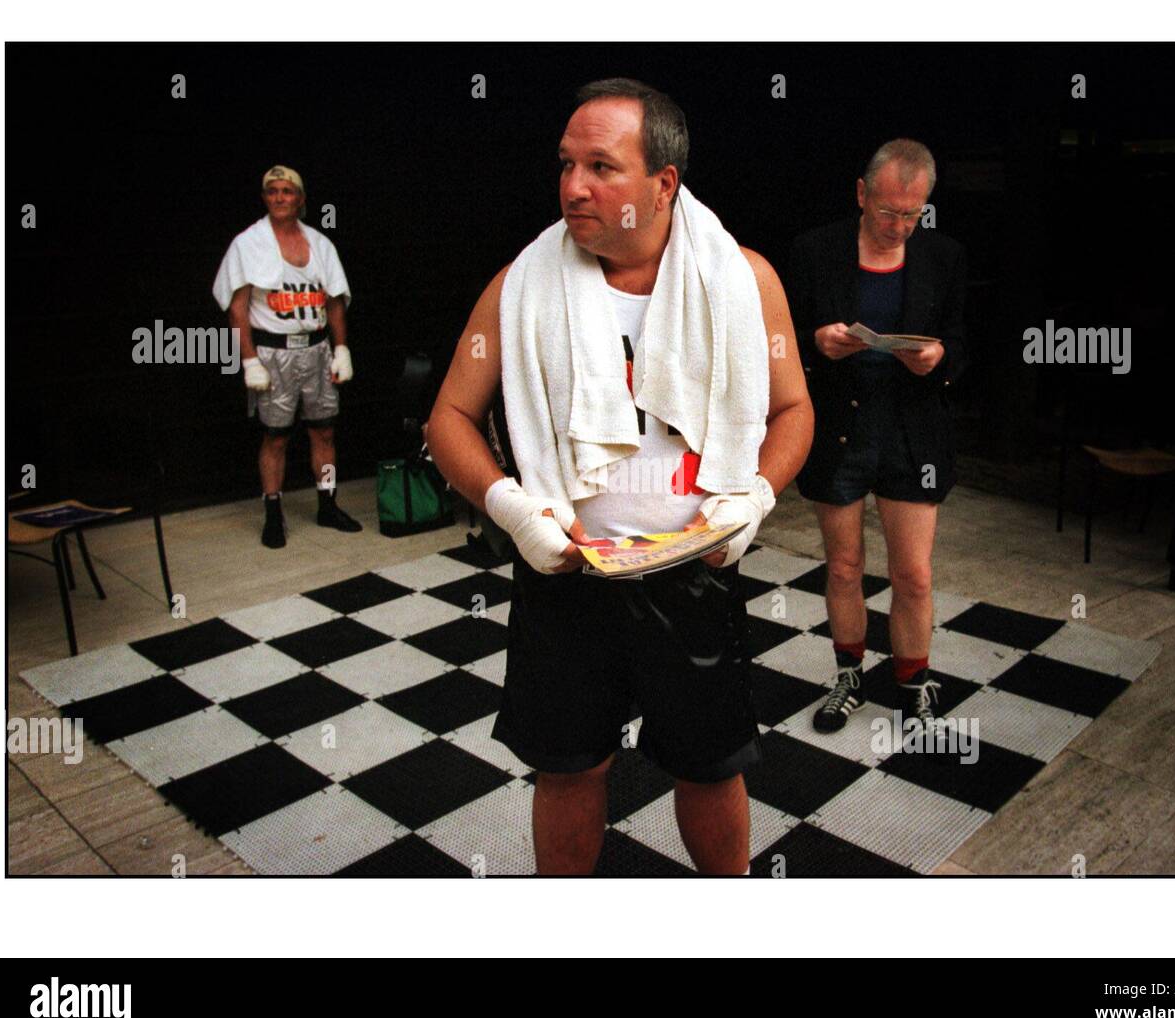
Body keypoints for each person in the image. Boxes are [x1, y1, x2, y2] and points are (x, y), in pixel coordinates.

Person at [426, 78, 812, 875]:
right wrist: (512, 507)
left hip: (693, 565)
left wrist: (758, 496)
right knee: (568, 767)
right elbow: (448, 420)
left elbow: (794, 409)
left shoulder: (743, 279)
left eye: (601, 166)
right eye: (566, 164)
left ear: (662, 182)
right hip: (567, 571)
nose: (573, 186)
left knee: (712, 764)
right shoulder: (522, 285)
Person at [787, 140, 967, 734]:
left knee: (912, 574)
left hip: (912, 434)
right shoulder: (816, 250)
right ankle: (848, 677)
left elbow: (963, 349)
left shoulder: (943, 257)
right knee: (843, 567)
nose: (899, 227)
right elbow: (780, 336)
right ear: (861, 194)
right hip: (839, 427)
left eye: (912, 214)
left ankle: (913, 679)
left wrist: (938, 359)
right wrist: (818, 343)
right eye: (888, 211)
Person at [213, 164, 363, 548]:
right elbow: (237, 309)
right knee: (276, 437)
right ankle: (273, 513)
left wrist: (341, 348)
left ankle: (327, 504)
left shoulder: (319, 244)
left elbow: (333, 302)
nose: (280, 197)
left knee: (324, 430)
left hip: (315, 349)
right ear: (265, 198)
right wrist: (248, 359)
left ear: (301, 198)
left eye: (287, 191)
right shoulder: (248, 244)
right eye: (273, 191)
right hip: (274, 353)